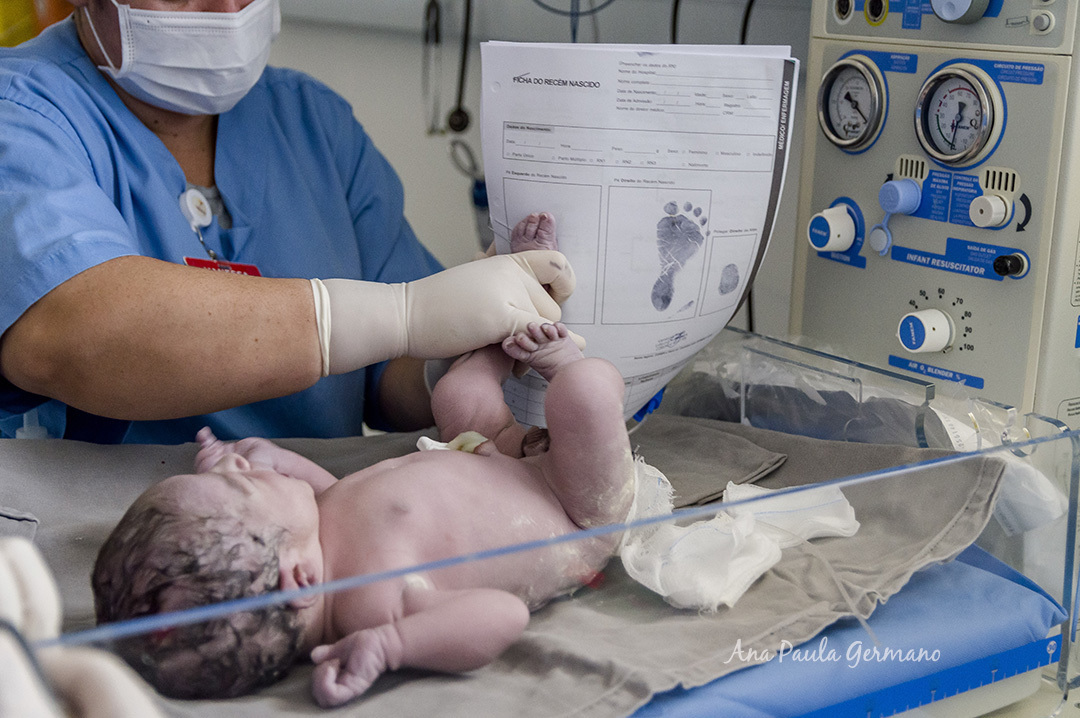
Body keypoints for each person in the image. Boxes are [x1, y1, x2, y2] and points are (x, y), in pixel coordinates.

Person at [0, 0, 576, 443]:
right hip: (106, 539)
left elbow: (390, 382)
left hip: (318, 532)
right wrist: (404, 313)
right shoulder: (22, 113)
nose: (228, 14)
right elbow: (67, 333)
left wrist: (457, 355)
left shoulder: (311, 122)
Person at [91, 314, 636, 707]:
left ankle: (519, 320)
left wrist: (268, 460)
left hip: (484, 447)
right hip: (570, 509)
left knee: (456, 391)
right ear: (299, 578)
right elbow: (502, 617)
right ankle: (563, 358)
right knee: (584, 393)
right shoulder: (377, 606)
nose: (229, 468)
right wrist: (392, 645)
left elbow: (339, 492)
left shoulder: (318, 537)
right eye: (242, 489)